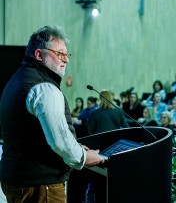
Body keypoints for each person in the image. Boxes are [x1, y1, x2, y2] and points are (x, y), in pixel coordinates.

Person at [0, 25, 103, 202]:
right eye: (60, 54)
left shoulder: (18, 80)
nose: (66, 60)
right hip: (41, 186)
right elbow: (60, 141)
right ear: (39, 55)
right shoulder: (43, 87)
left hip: (18, 180)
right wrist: (84, 157)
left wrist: (75, 148)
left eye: (66, 54)